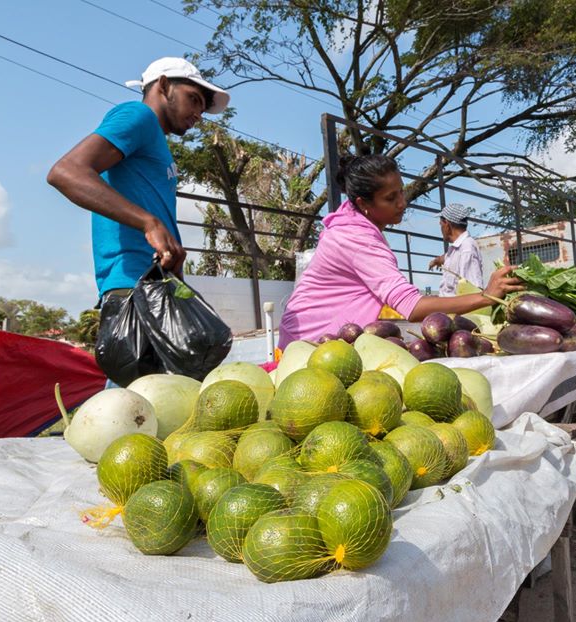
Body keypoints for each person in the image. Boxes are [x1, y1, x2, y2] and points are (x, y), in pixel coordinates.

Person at [47, 57, 230, 380]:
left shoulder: (156, 141)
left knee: (160, 408)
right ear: (162, 86)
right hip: (135, 288)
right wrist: (150, 223)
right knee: (136, 411)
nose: (199, 115)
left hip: (156, 286)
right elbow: (66, 172)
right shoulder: (137, 116)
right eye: (194, 99)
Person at [278, 154, 522, 346]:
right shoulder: (356, 237)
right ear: (363, 203)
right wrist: (485, 295)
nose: (402, 203)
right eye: (390, 198)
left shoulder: (352, 224)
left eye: (401, 192)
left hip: (312, 337)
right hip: (311, 342)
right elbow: (411, 307)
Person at [428, 203, 484, 296]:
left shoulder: (467, 249)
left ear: (447, 224)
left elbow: (472, 291)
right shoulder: (455, 249)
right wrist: (436, 261)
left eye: (441, 224)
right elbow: (445, 258)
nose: (441, 229)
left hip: (454, 309)